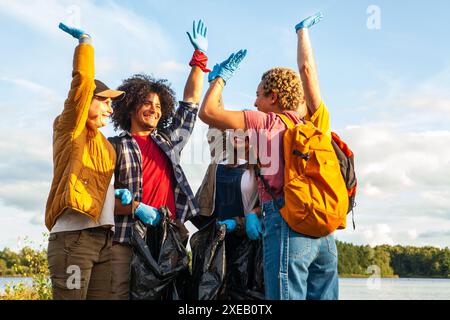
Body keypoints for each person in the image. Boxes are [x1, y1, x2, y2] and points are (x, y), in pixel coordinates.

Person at [199, 13, 340, 300]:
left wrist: (220, 79)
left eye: (259, 94)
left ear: (273, 98)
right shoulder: (316, 123)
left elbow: (209, 113)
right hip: (324, 232)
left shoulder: (265, 122)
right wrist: (302, 32)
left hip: (287, 223)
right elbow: (307, 71)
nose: (255, 101)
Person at [108, 20, 210, 300]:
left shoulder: (168, 140)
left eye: (158, 106)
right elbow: (102, 201)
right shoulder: (113, 147)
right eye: (147, 103)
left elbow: (189, 103)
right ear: (130, 106)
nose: (153, 110)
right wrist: (136, 207)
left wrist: (199, 61)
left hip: (169, 240)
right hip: (127, 241)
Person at [45, 23, 125, 300]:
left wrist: (118, 196)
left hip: (102, 240)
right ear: (87, 101)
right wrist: (85, 44)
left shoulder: (106, 146)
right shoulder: (70, 128)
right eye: (104, 101)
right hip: (73, 240)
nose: (110, 108)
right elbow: (82, 84)